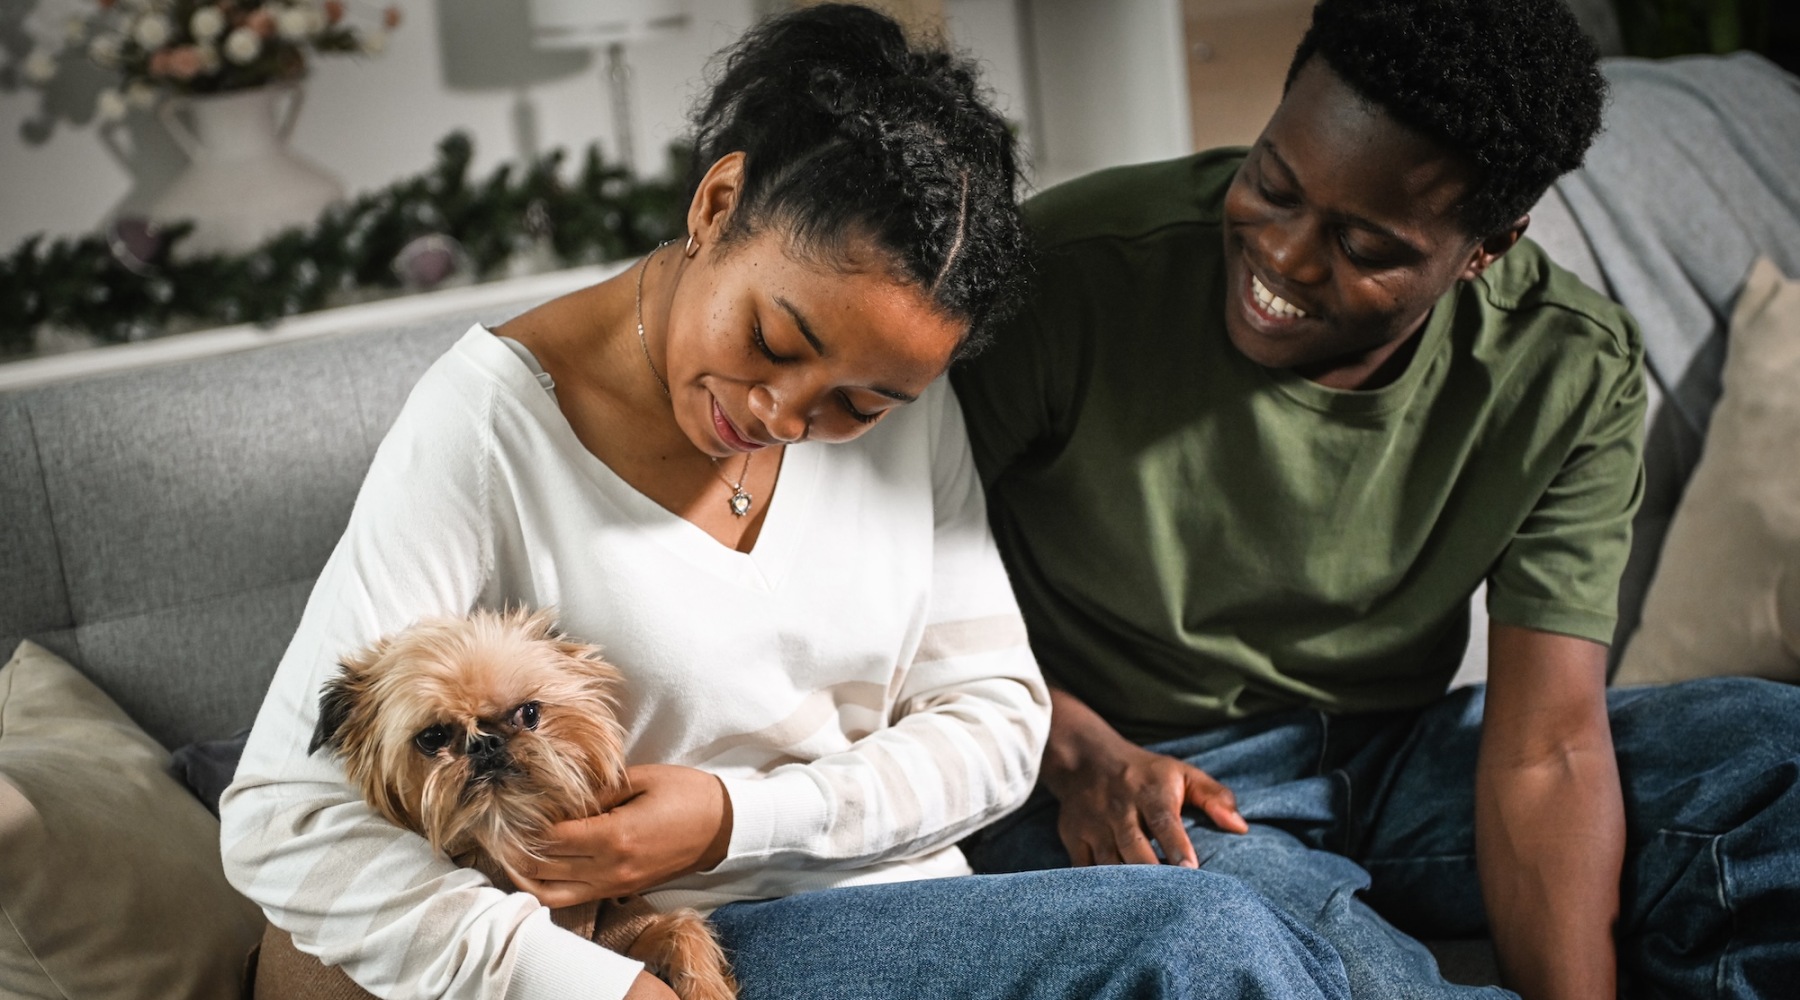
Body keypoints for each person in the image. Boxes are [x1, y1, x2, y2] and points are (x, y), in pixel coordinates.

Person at [219, 6, 1354, 1000]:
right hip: (692, 939)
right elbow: (285, 822)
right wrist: (585, 984)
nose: (783, 416)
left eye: (860, 401)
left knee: (1324, 938)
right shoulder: (486, 427)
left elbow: (997, 725)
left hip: (925, 898)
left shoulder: (912, 410)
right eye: (772, 339)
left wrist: (734, 816)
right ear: (718, 203)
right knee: (1205, 935)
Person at [951, 1, 1800, 999]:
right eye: (1273, 183)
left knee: (1773, 755)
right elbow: (883, 604)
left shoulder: (1566, 368)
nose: (1286, 257)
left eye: (1364, 245)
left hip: (1398, 759)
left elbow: (1547, 749)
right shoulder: (1068, 274)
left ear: (1485, 248)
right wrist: (1076, 753)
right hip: (1137, 774)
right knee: (1262, 949)